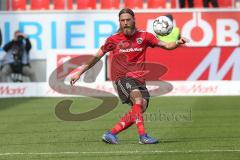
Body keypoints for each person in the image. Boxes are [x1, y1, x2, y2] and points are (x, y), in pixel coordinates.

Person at [70, 8, 189, 144]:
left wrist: (177, 43)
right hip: (121, 78)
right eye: (122, 21)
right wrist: (79, 72)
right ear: (119, 22)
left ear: (134, 20)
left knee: (140, 107)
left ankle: (111, 133)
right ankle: (143, 136)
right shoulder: (113, 39)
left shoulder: (145, 36)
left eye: (128, 20)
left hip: (139, 79)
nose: (125, 23)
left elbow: (166, 45)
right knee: (138, 99)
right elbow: (97, 57)